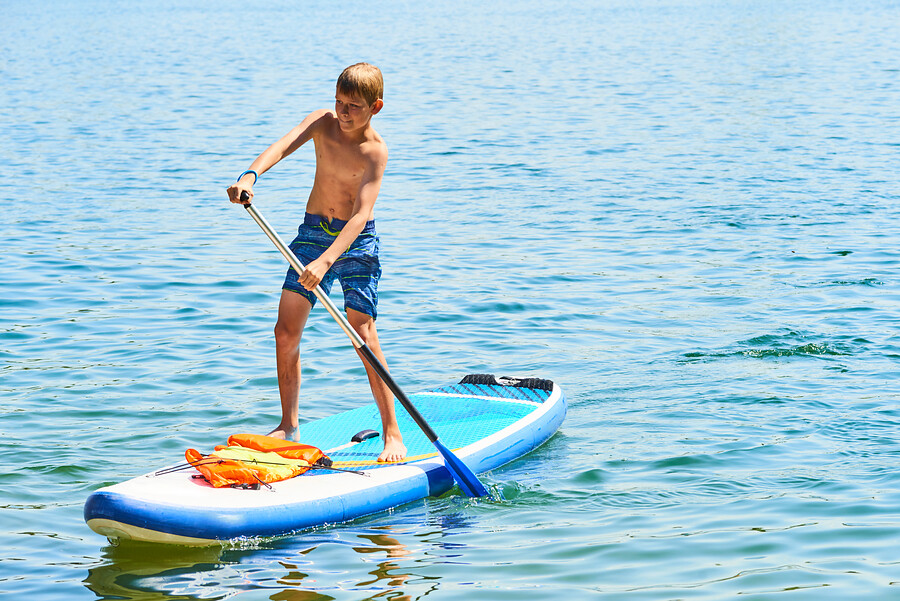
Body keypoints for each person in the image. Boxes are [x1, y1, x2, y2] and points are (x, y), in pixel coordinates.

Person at [225, 63, 406, 463]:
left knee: (362, 334)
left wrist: (326, 261)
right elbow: (283, 145)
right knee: (285, 331)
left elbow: (360, 215)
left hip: (356, 243)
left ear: (375, 107)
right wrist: (250, 176)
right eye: (339, 102)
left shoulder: (375, 152)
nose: (343, 112)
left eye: (353, 106)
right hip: (311, 235)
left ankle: (393, 432)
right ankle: (289, 425)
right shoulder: (323, 123)